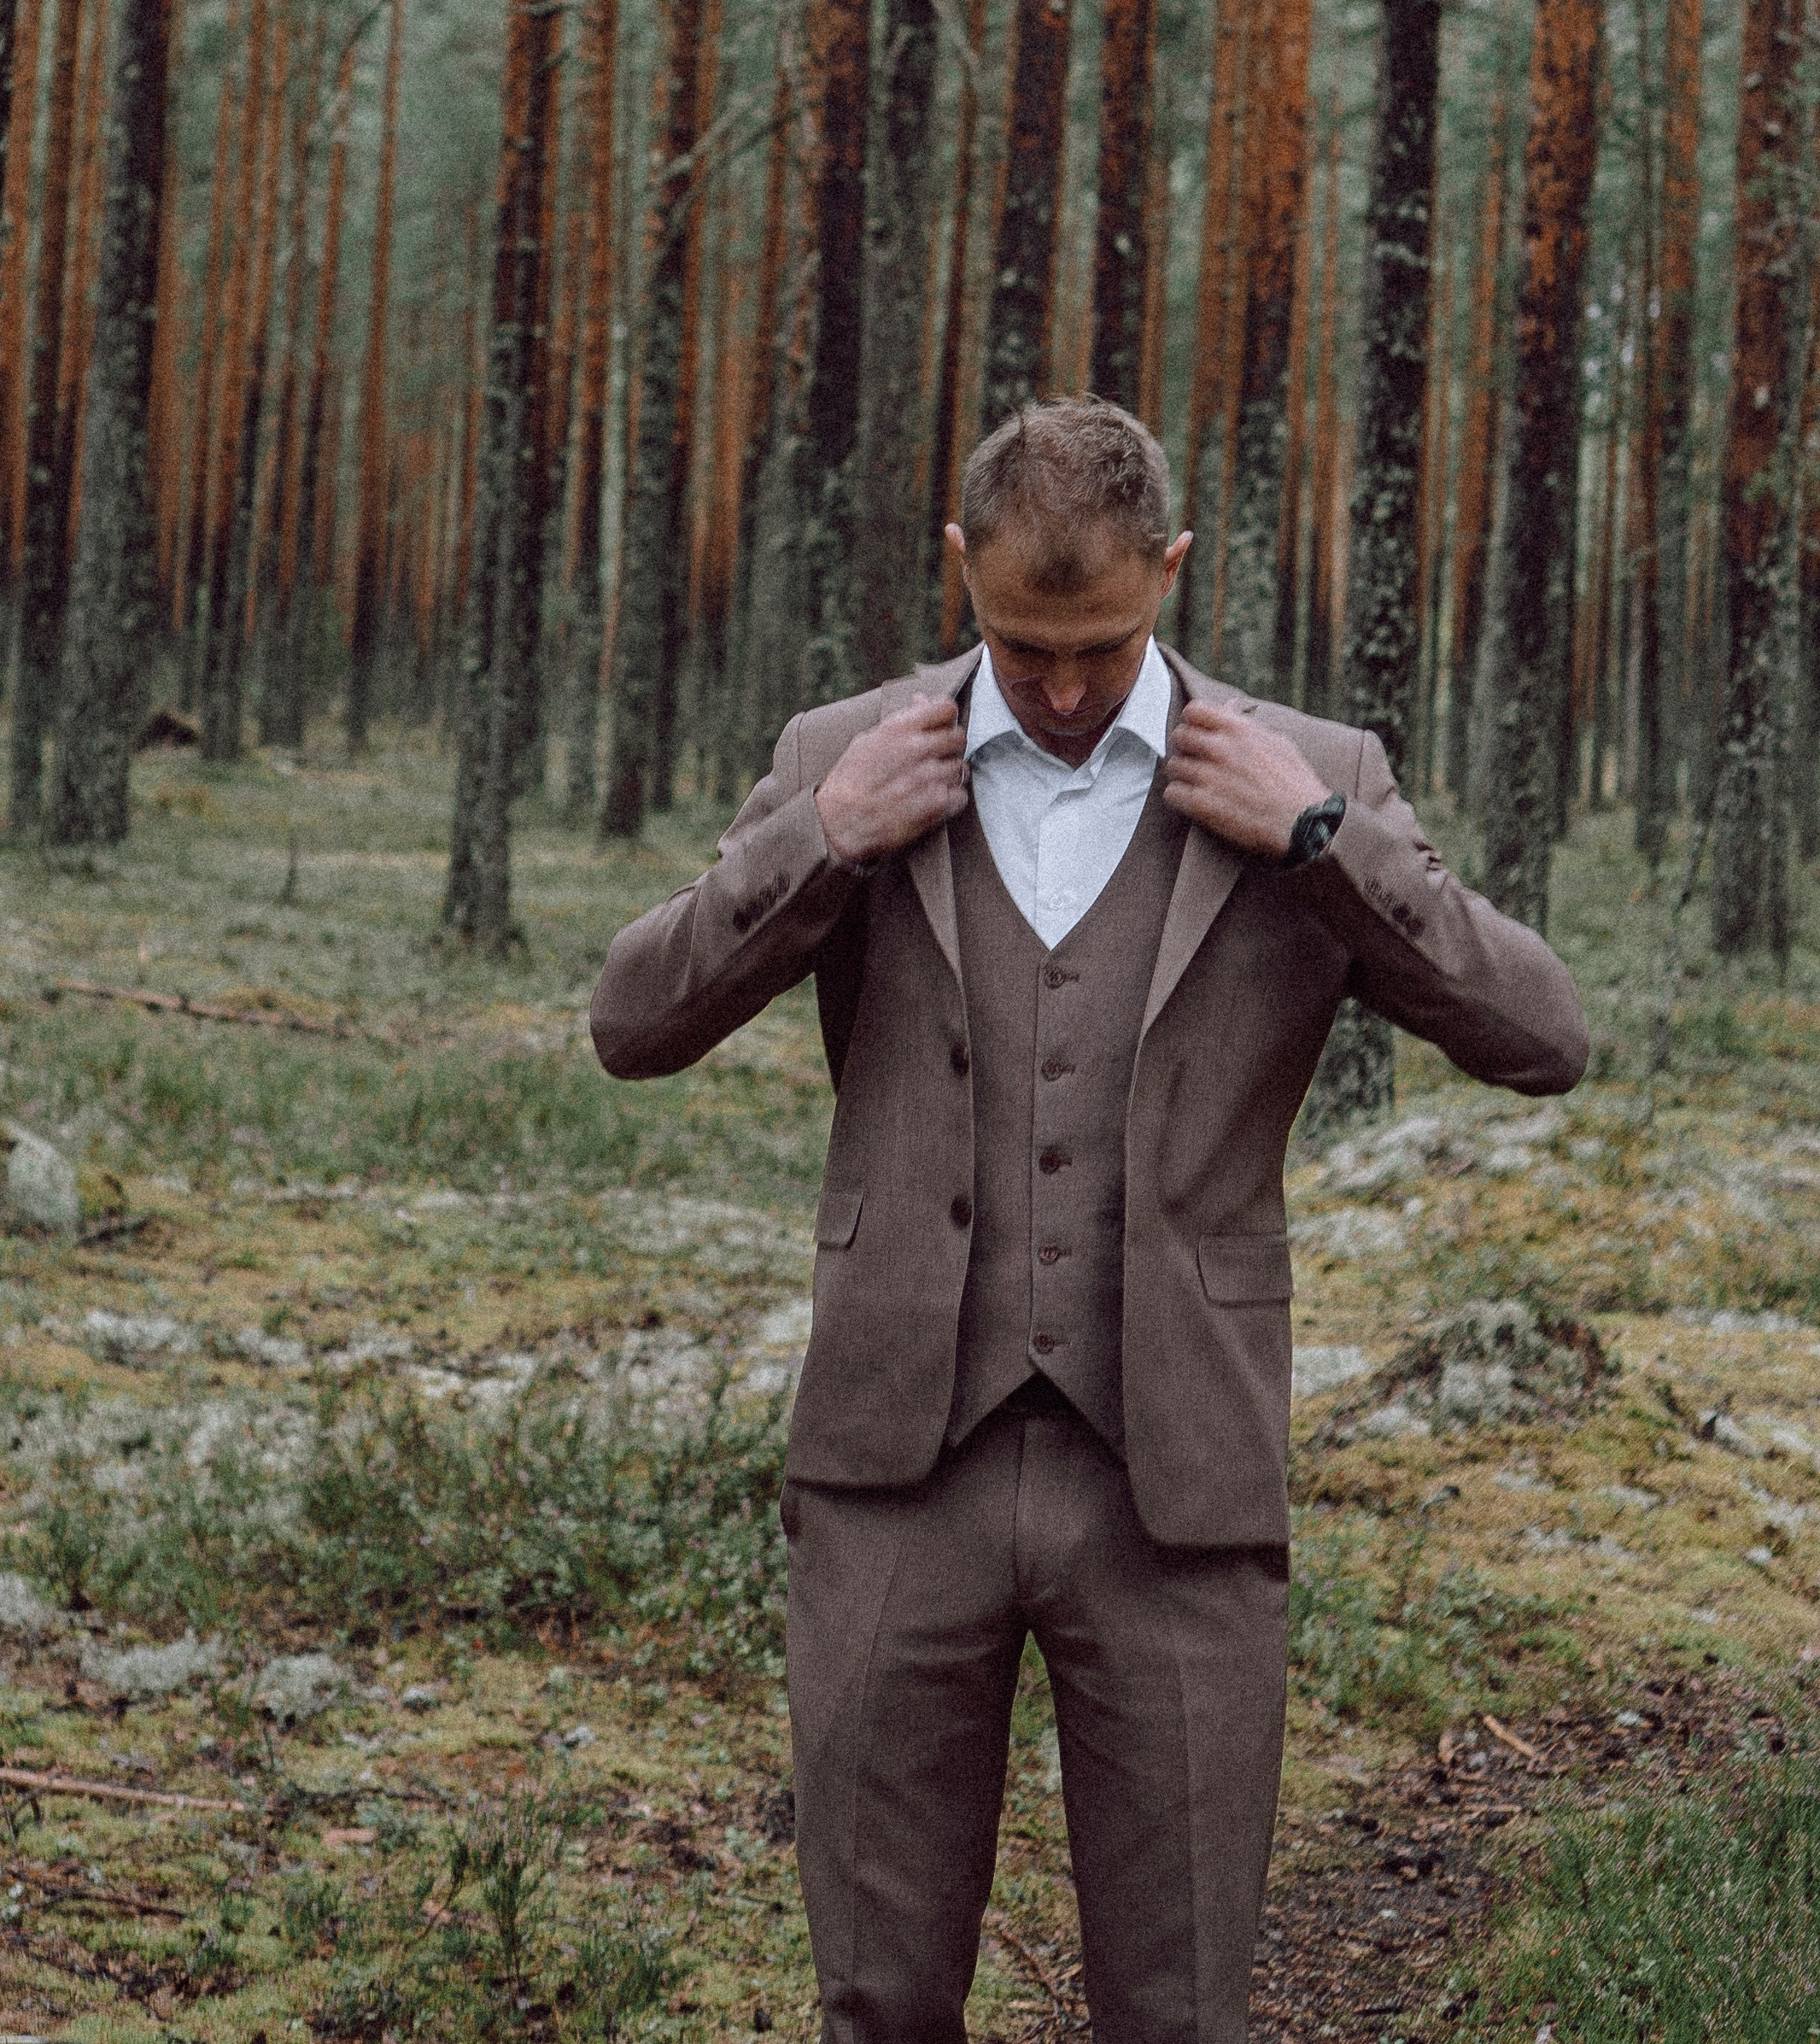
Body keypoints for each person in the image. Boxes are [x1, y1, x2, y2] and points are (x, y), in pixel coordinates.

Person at [592, 397, 1586, 2044]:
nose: (1059, 691)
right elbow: (633, 1024)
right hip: (897, 1470)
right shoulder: (842, 753)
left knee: (1183, 2010)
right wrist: (817, 844)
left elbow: (1542, 1035)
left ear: (1175, 573)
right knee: (879, 2002)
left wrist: (1326, 849)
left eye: (1106, 649)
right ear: (961, 568)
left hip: (1178, 1485)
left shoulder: (1316, 773)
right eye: (1021, 645)